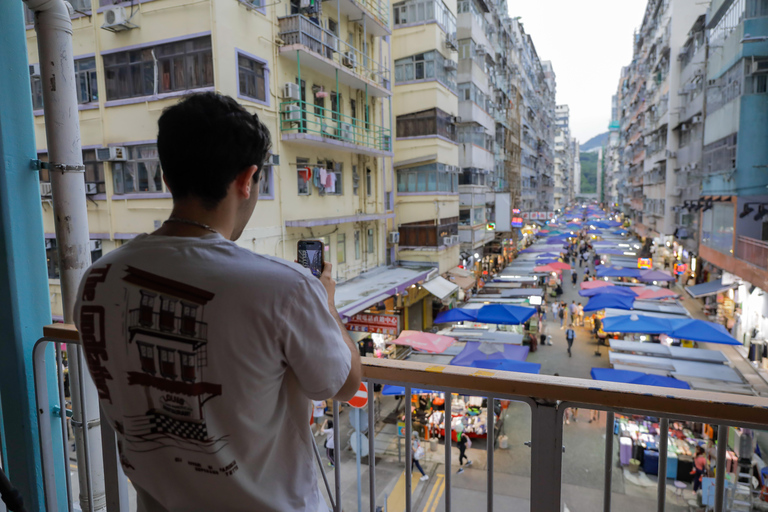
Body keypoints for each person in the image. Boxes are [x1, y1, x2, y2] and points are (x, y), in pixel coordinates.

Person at [73, 93, 363, 512]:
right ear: (246, 179)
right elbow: (343, 384)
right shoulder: (287, 288)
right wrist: (327, 302)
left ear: (166, 178)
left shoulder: (99, 279)